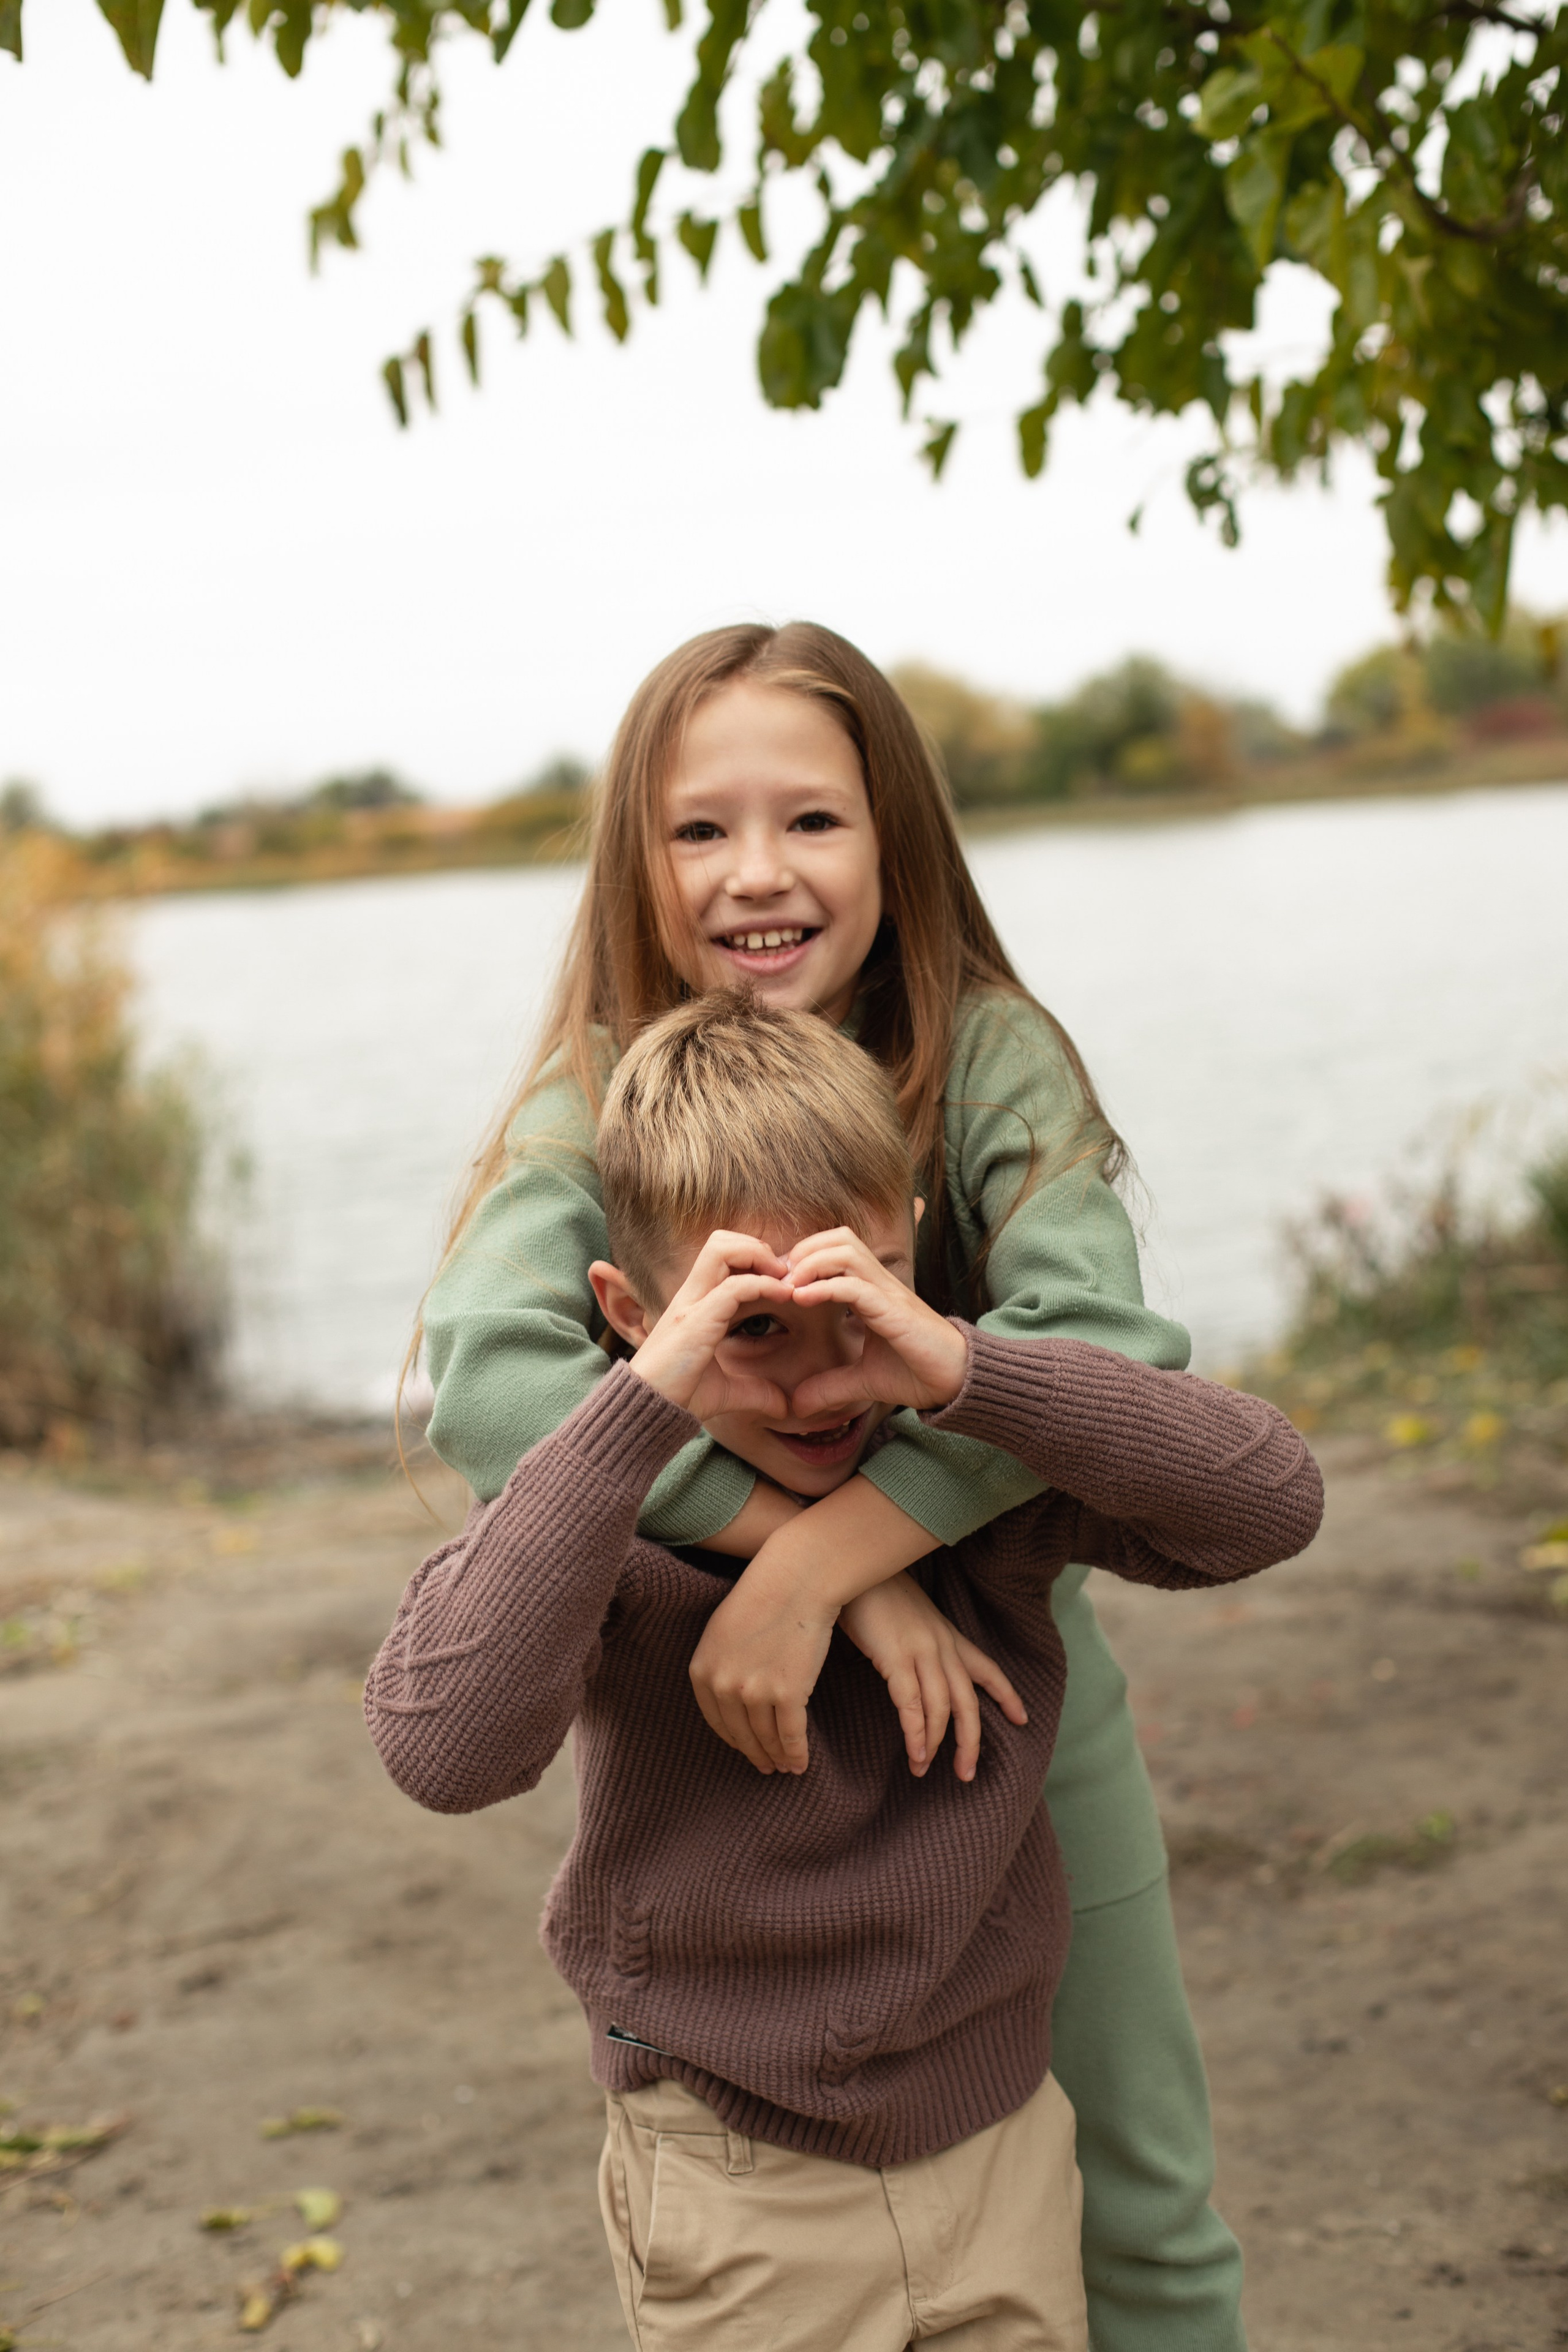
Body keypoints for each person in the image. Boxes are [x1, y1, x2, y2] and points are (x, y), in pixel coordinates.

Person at [415, 620, 1258, 2347]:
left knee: (1146, 2205)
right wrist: (818, 1573)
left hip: (1018, 1709)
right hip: (726, 1734)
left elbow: (1098, 1327)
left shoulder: (982, 1053)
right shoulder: (600, 1097)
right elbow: (497, 1379)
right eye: (697, 830)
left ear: (893, 843)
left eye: (811, 821)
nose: (756, 877)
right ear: (636, 864)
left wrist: (855, 1555)